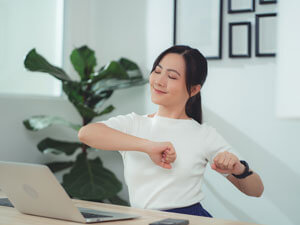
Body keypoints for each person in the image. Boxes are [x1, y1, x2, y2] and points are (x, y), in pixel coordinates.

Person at [78, 45, 264, 217]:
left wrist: (239, 169)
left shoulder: (204, 134)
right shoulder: (134, 124)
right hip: (143, 219)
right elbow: (86, 134)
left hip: (189, 219)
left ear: (194, 90)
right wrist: (149, 146)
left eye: (172, 76)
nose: (159, 81)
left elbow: (256, 190)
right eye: (157, 71)